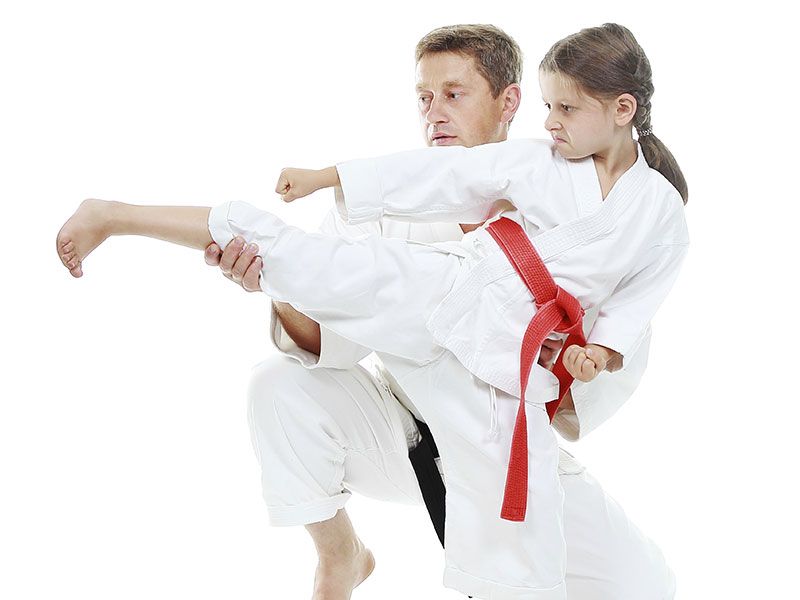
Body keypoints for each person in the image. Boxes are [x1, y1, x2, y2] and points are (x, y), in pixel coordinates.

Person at [56, 23, 685, 600]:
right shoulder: (424, 203)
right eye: (424, 97)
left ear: (507, 102)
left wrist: (581, 354)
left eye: (454, 94)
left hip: (502, 426)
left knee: (638, 584)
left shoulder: (621, 216)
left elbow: (615, 343)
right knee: (278, 367)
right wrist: (284, 266)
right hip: (397, 430)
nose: (434, 112)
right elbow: (332, 320)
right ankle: (341, 558)